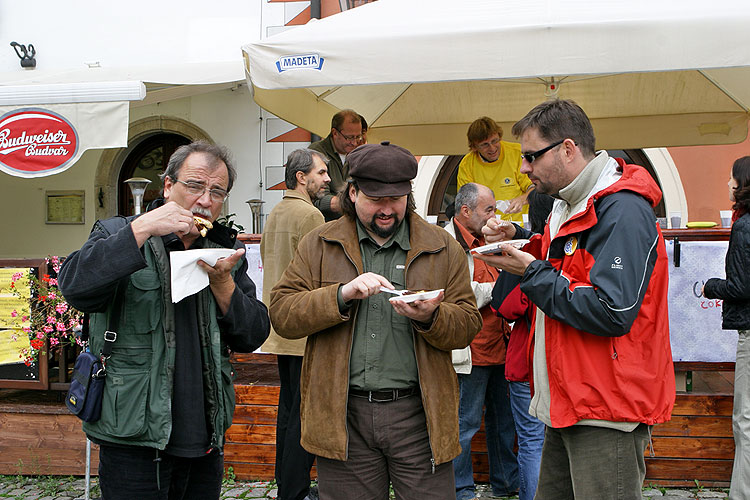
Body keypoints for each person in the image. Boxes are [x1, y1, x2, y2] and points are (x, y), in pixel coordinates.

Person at [475, 100, 675, 500]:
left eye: (531, 156)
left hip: (606, 408)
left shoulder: (622, 210)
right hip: (570, 401)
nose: (524, 168)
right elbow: (566, 262)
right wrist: (518, 238)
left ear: (568, 149)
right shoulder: (569, 203)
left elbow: (611, 310)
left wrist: (529, 271)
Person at [268, 141, 483, 500]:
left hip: (420, 418)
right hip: (343, 417)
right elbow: (282, 313)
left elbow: (467, 325)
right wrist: (340, 295)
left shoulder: (442, 246)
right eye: (375, 199)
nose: (386, 210)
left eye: (395, 199)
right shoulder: (319, 243)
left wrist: (433, 317)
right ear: (352, 192)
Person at [58, 141, 270, 500]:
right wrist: (139, 230)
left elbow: (252, 335)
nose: (205, 200)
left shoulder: (222, 249)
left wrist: (223, 284)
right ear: (168, 186)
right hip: (134, 437)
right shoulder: (117, 233)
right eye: (194, 186)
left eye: (217, 192)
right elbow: (76, 288)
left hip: (204, 437)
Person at [260, 149, 330, 500]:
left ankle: (287, 485)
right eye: (322, 172)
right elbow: (323, 274)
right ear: (301, 177)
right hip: (304, 330)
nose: (328, 178)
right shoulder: (310, 215)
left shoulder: (277, 211)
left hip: (280, 328)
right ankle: (296, 491)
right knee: (304, 414)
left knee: (289, 411)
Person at [444, 182, 518, 500]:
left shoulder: (488, 237)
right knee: (465, 423)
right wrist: (502, 286)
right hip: (471, 349)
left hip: (501, 345)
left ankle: (506, 484)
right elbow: (462, 296)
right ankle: (460, 490)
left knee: (505, 422)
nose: (494, 216)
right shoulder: (448, 242)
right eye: (488, 209)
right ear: (466, 211)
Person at [489, 189, 553, 500]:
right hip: (562, 361)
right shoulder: (573, 246)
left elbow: (504, 304)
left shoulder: (530, 250)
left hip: (526, 359)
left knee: (531, 440)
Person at [703, 156, 750, 500]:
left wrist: (710, 286)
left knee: (745, 421)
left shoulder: (744, 226)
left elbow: (740, 287)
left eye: (731, 178)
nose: (727, 184)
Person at [457, 116, 533, 223]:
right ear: (474, 147)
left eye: (495, 141)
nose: (492, 148)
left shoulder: (516, 153)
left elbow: (535, 188)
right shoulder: (467, 164)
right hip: (485, 227)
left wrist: (522, 199)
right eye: (485, 145)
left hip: (521, 226)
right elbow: (466, 204)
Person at [309, 109, 364, 221]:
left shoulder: (358, 153)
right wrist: (357, 201)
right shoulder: (317, 153)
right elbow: (317, 198)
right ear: (335, 133)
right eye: (349, 137)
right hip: (327, 225)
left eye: (358, 137)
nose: (354, 142)